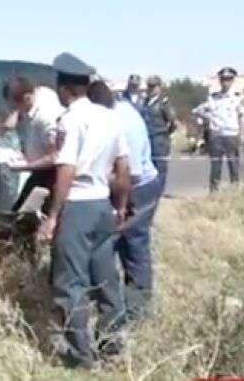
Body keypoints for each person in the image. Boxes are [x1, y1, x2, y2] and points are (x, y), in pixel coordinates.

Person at [37, 54, 131, 369]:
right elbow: (124, 169)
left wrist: (53, 216)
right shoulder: (110, 118)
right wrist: (120, 207)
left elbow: (66, 170)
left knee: (70, 283)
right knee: (106, 280)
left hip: (77, 205)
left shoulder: (70, 120)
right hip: (103, 204)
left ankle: (81, 357)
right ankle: (112, 348)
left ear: (64, 89)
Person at [87, 81, 161, 322]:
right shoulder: (117, 113)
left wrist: (98, 179)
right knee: (114, 243)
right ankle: (113, 302)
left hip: (138, 189)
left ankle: (136, 310)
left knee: (134, 245)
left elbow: (131, 174)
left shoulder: (123, 123)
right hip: (122, 186)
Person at [2, 77, 64, 213]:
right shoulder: (42, 93)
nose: (14, 110)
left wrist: (24, 166)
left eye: (15, 106)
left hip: (50, 173)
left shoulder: (46, 118)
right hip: (37, 166)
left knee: (24, 213)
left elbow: (54, 157)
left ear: (27, 98)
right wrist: (15, 115)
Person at [193, 67, 243, 193]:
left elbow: (241, 117)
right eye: (223, 79)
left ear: (232, 80)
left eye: (228, 79)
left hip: (231, 135)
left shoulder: (237, 97)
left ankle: (235, 190)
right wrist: (209, 118)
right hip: (216, 136)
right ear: (220, 81)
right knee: (216, 166)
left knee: (233, 164)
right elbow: (197, 111)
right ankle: (214, 192)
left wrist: (241, 135)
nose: (226, 82)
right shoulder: (213, 98)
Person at [140, 75, 177, 194]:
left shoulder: (164, 102)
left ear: (159, 87)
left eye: (153, 86)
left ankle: (159, 191)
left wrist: (165, 133)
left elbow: (173, 122)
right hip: (147, 138)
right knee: (147, 166)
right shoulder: (144, 102)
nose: (151, 89)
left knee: (160, 167)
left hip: (159, 139)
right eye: (149, 86)